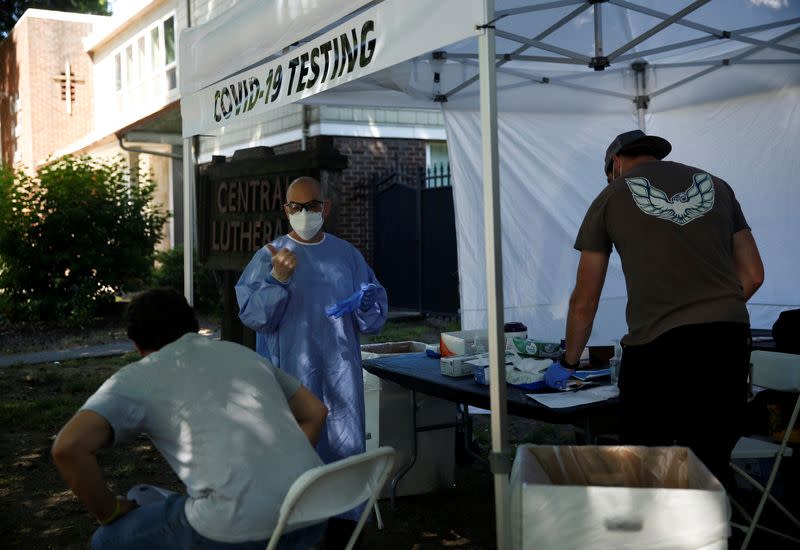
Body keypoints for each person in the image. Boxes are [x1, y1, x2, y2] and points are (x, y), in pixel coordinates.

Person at [545, 130, 765, 488]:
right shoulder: (719, 187)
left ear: (615, 164)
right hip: (729, 340)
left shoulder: (611, 195)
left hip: (659, 348)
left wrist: (569, 362)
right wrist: (709, 308)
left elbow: (584, 299)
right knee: (710, 463)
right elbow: (754, 274)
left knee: (645, 466)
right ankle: (713, 538)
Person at [51, 288, 329, 549]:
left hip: (236, 528)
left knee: (108, 539)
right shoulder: (242, 353)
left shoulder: (138, 376)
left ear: (137, 345)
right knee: (145, 493)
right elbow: (316, 412)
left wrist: (109, 511)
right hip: (313, 509)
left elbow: (67, 447)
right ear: (193, 325)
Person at [235, 176, 388, 545]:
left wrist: (368, 303)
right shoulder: (269, 256)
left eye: (312, 206)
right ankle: (294, 528)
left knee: (343, 450)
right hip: (291, 377)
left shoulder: (347, 256)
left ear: (326, 208)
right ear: (285, 210)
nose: (304, 213)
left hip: (341, 375)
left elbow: (373, 317)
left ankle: (344, 529)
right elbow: (253, 316)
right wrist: (277, 279)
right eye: (295, 207)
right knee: (295, 453)